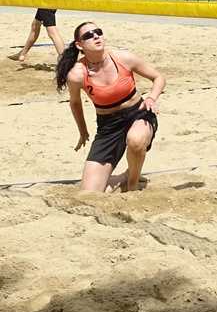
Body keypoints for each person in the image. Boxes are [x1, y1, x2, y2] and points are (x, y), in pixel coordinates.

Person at [55, 21, 165, 193]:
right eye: (88, 35)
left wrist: (152, 98)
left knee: (135, 140)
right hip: (108, 125)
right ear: (79, 44)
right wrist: (83, 131)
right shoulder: (76, 74)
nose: (96, 36)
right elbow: (75, 102)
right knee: (89, 193)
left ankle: (132, 185)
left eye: (98, 31)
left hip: (138, 113)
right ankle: (125, 176)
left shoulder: (123, 57)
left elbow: (158, 77)